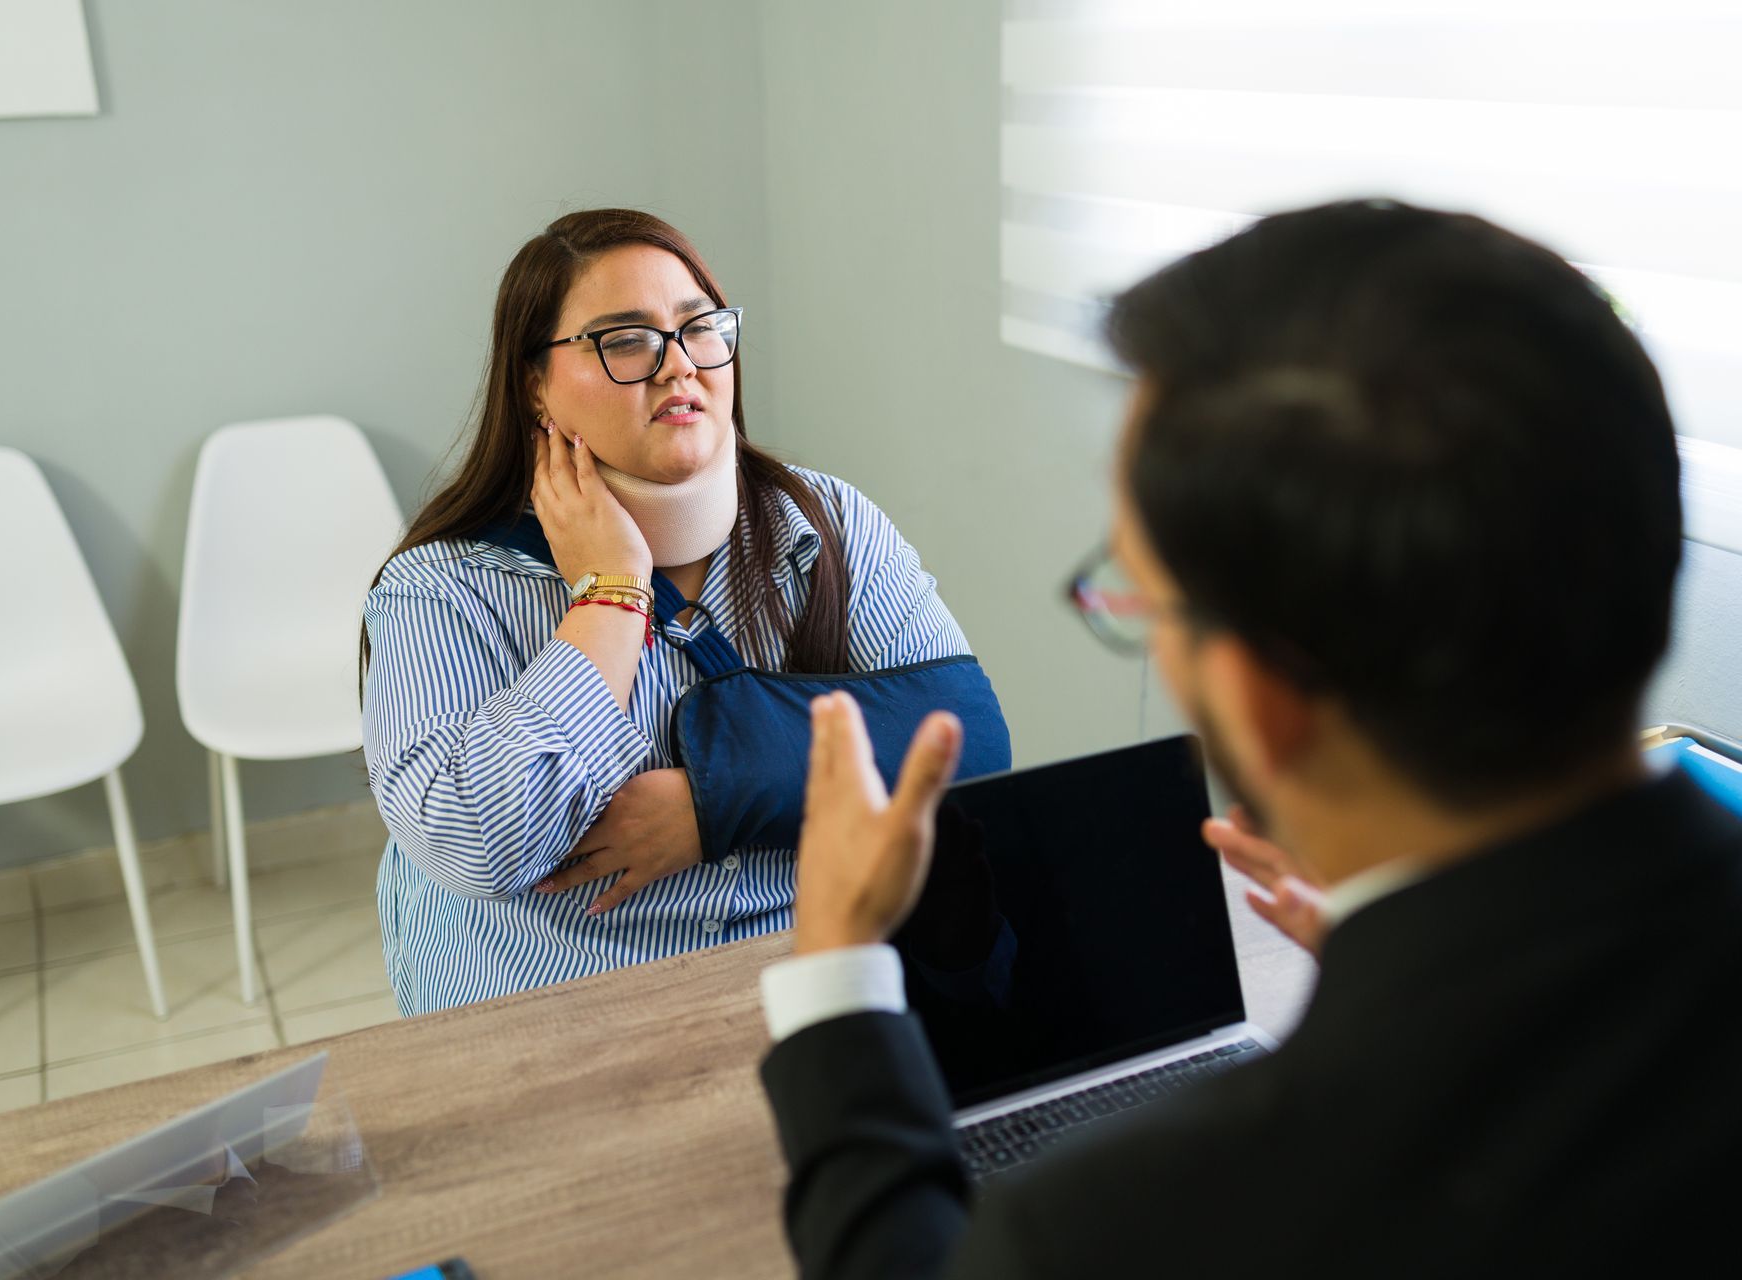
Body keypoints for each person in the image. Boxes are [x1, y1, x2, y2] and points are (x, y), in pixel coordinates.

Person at [757, 200, 1742, 1276]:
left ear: (1256, 694)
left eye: (1138, 589)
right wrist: (1421, 948)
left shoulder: (1123, 1226)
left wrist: (842, 967)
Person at [359, 209, 1003, 1015]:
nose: (678, 367)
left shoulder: (825, 523)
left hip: (815, 981)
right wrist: (610, 593)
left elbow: (971, 739)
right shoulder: (443, 587)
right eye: (625, 340)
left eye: (699, 328)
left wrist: (713, 803)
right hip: (567, 1017)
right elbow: (482, 839)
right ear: (534, 384)